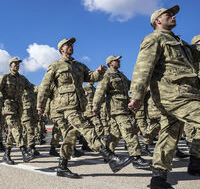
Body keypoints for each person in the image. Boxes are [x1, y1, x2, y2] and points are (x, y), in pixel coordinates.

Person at [128, 5, 200, 189]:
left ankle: (158, 182)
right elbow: (143, 68)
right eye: (168, 14)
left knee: (169, 135)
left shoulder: (181, 43)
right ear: (157, 20)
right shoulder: (154, 39)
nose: (173, 15)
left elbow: (197, 55)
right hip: (174, 95)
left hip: (186, 93)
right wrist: (136, 96)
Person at [37, 38, 134, 178]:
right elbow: (45, 86)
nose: (71, 46)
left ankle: (62, 167)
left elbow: (90, 76)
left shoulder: (79, 65)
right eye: (68, 45)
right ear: (61, 49)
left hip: (79, 105)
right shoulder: (55, 65)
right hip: (66, 105)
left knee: (71, 134)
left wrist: (99, 72)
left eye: (72, 44)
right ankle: (110, 157)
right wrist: (40, 105)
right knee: (86, 128)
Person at [93, 55, 150, 168]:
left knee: (115, 134)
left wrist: (145, 86)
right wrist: (95, 106)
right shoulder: (107, 76)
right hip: (116, 108)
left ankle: (108, 155)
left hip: (123, 107)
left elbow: (131, 85)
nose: (119, 62)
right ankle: (136, 157)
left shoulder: (121, 75)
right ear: (110, 63)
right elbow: (100, 92)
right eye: (116, 60)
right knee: (129, 130)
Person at [0, 57, 34, 164]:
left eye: (18, 64)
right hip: (8, 106)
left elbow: (32, 88)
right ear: (10, 65)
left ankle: (7, 154)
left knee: (11, 131)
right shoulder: (5, 77)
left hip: (18, 107)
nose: (17, 65)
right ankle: (24, 150)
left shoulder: (22, 79)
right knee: (15, 127)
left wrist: (48, 87)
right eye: (15, 63)